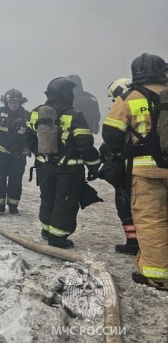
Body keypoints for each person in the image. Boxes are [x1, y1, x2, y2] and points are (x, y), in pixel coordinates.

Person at [102, 53, 168, 288]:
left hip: (146, 171)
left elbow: (111, 134)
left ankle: (157, 274)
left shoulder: (130, 97)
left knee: (152, 220)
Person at [26, 77, 100, 249]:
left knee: (47, 198)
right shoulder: (74, 115)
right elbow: (85, 144)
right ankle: (58, 238)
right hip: (69, 170)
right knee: (65, 202)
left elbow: (29, 137)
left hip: (44, 167)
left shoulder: (37, 112)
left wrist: (41, 154)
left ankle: (46, 230)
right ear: (67, 94)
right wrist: (94, 165)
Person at [98, 77, 138, 255]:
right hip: (145, 166)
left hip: (127, 168)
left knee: (125, 206)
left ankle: (133, 243)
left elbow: (112, 137)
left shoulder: (124, 108)